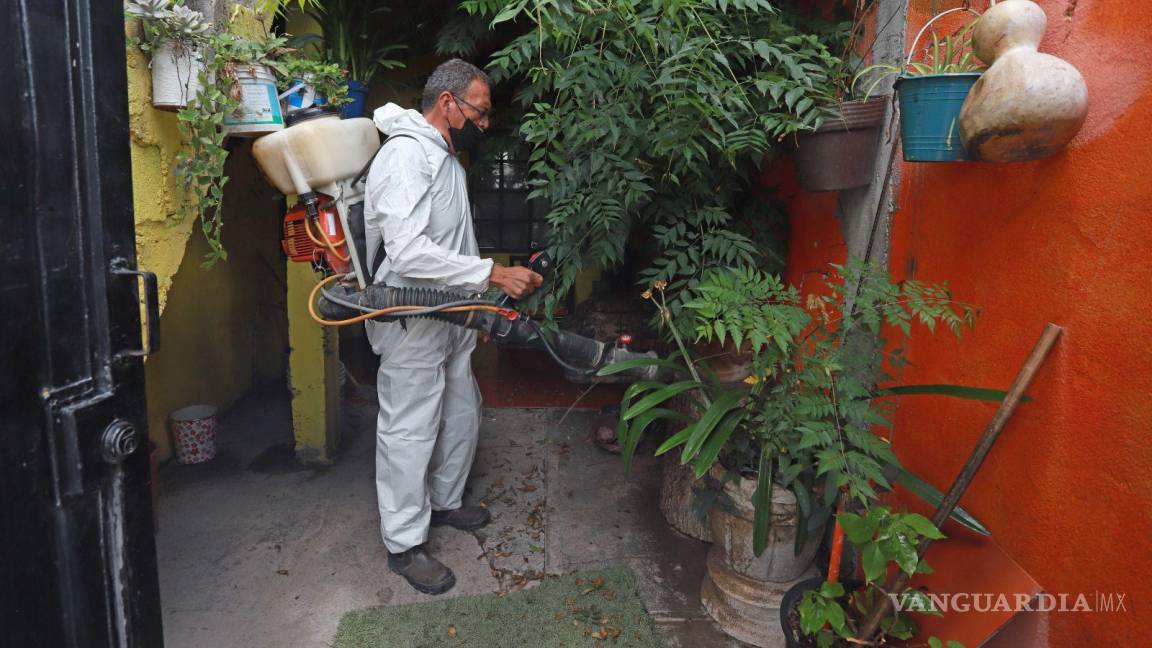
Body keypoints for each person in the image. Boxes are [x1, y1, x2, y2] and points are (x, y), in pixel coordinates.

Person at [362, 59, 543, 595]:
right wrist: (492, 272)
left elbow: (449, 246)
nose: (483, 124)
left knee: (460, 408)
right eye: (478, 112)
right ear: (447, 103)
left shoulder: (444, 160)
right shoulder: (404, 156)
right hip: (410, 316)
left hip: (451, 313)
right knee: (409, 427)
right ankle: (404, 544)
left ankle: (443, 502)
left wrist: (477, 304)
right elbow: (409, 252)